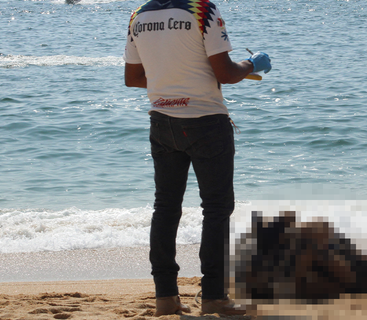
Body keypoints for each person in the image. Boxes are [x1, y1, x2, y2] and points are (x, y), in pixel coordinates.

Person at [123, 0, 272, 316]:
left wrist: (173, 81)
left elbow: (133, 78)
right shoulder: (202, 10)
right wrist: (253, 64)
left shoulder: (138, 15)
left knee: (165, 207)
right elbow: (226, 73)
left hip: (162, 120)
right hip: (205, 122)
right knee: (216, 209)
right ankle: (214, 296)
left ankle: (165, 297)